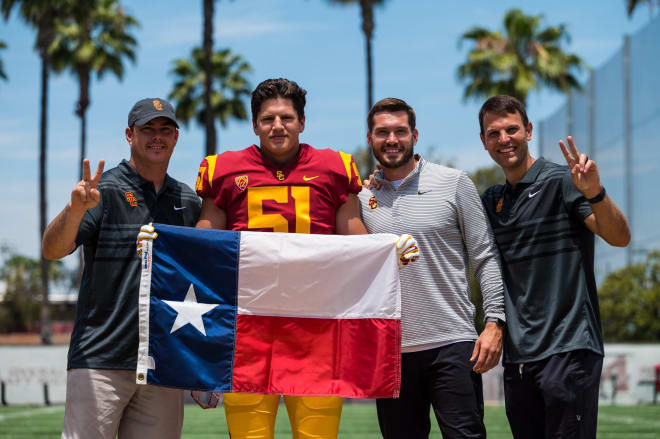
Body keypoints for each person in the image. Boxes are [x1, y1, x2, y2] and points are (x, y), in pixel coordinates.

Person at [188, 79, 419, 439]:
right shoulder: (224, 169)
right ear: (254, 125)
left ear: (302, 122)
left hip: (316, 328)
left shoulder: (334, 166)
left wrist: (389, 253)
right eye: (267, 119)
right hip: (249, 328)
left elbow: (353, 233)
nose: (277, 126)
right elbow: (206, 243)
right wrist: (163, 247)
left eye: (286, 117)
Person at [42, 98, 201, 439]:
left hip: (162, 365)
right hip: (100, 358)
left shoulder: (188, 201)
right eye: (147, 130)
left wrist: (203, 359)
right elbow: (52, 249)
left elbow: (202, 279)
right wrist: (74, 210)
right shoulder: (105, 190)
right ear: (130, 135)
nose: (157, 137)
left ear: (176, 137)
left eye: (165, 129)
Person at [478, 95, 631, 439]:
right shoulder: (491, 201)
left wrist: (595, 193)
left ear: (528, 130)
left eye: (512, 129)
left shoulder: (564, 181)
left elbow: (619, 237)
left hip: (570, 349)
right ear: (484, 141)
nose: (504, 139)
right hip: (518, 359)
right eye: (494, 133)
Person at [358, 97, 506, 439]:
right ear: (370, 139)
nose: (392, 140)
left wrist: (494, 323)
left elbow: (485, 255)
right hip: (391, 352)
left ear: (415, 135)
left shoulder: (454, 183)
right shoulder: (362, 199)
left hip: (453, 344)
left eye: (400, 131)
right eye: (382, 132)